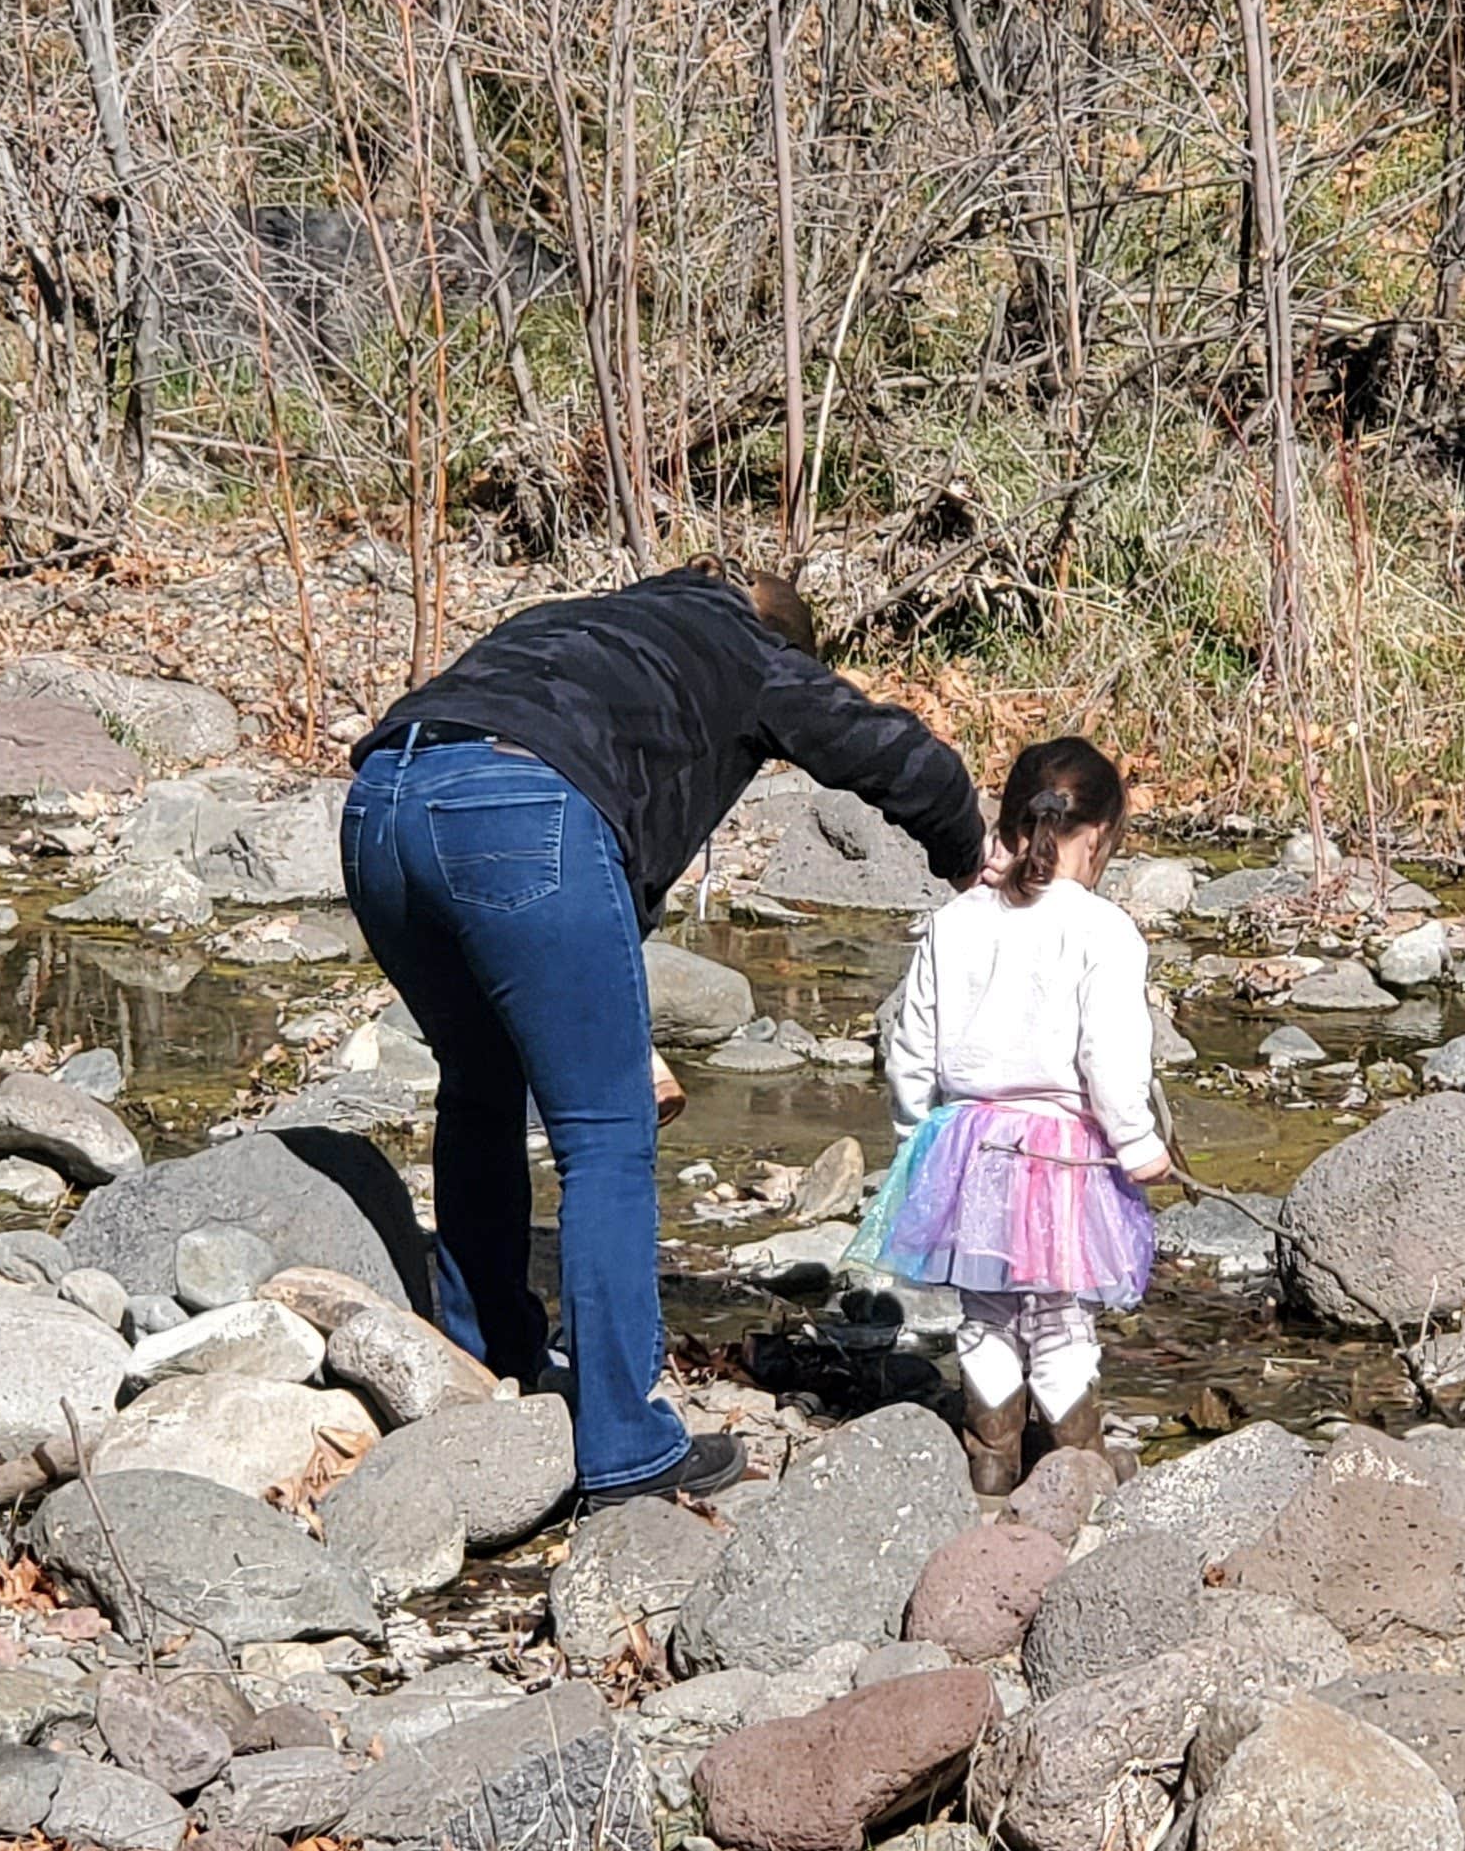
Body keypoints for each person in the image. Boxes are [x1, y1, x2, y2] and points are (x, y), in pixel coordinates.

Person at [341, 563, 986, 1508]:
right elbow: (874, 744)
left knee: (479, 1089)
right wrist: (966, 846)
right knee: (605, 1138)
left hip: (378, 808)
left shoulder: (584, 623)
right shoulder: (747, 647)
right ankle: (625, 1446)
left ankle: (486, 1356)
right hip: (522, 811)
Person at [850, 737, 1173, 1494]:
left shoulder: (956, 921)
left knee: (985, 1310)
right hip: (1063, 1150)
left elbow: (911, 1047)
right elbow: (1112, 1055)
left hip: (965, 1139)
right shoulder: (1102, 929)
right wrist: (1137, 1141)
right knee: (1061, 1316)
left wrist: (916, 1139)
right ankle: (1075, 1466)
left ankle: (990, 1461)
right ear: (1097, 837)